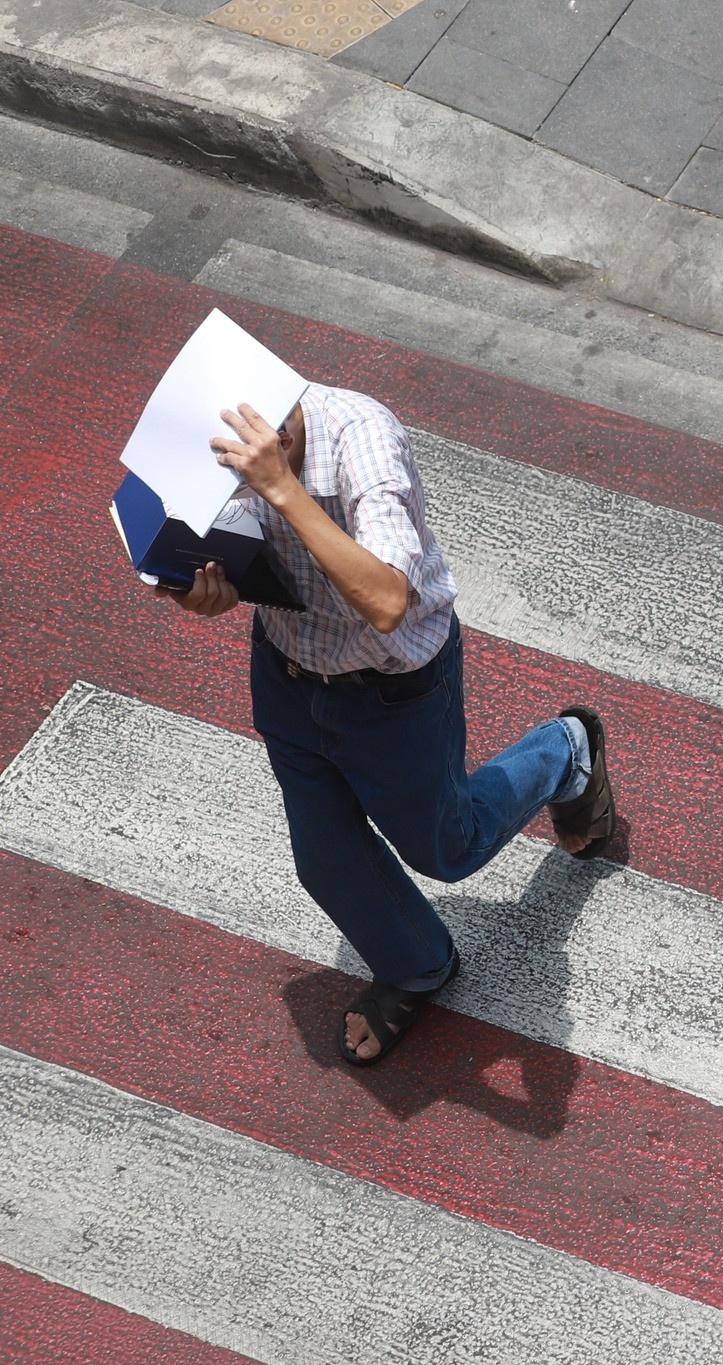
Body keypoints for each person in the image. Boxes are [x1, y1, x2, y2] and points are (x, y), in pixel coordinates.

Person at [160, 385, 618, 1064]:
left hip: (392, 690)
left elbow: (387, 600)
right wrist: (198, 592)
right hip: (287, 671)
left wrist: (282, 488)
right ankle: (417, 963)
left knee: (447, 847)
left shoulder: (363, 440)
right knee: (325, 858)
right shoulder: (211, 433)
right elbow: (212, 546)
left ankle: (566, 749)